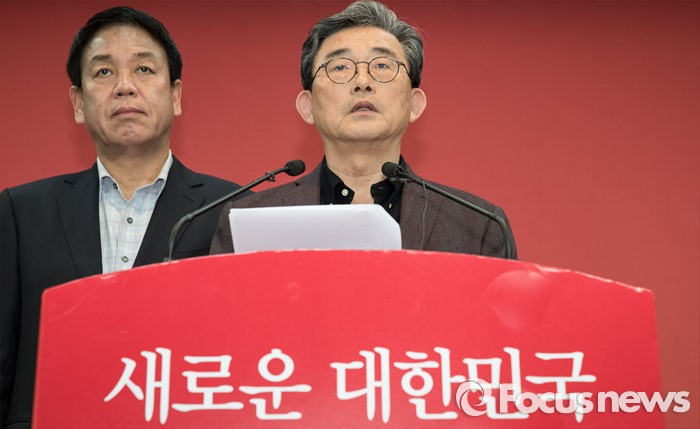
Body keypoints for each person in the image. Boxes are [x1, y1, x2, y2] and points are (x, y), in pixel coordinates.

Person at [0, 7, 245, 427]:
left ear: (176, 95)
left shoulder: (233, 208)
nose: (125, 86)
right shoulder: (20, 212)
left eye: (144, 69)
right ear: (79, 103)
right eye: (103, 72)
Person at [210, 0, 516, 257]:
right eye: (340, 67)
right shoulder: (247, 225)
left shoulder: (478, 226)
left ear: (414, 104)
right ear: (307, 106)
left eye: (382, 65)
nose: (362, 82)